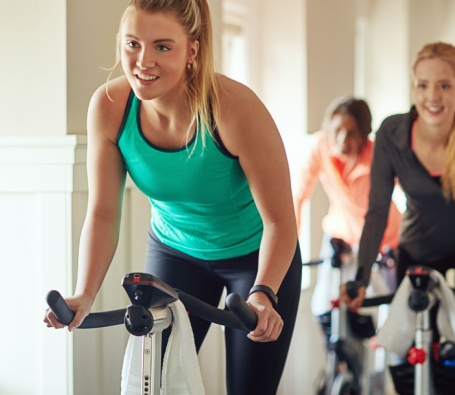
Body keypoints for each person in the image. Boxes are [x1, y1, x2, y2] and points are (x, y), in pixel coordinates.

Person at [43, 1, 302, 394]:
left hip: (254, 257)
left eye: (162, 46)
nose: (143, 61)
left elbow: (280, 221)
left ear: (192, 50)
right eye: (132, 44)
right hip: (176, 253)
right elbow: (103, 213)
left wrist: (264, 293)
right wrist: (85, 293)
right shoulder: (111, 108)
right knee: (156, 384)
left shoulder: (232, 108)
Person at [340, 42, 455, 395]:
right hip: (420, 249)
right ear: (413, 87)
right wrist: (360, 277)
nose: (432, 96)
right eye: (422, 85)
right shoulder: (393, 133)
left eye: (444, 85)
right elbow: (376, 210)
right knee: (411, 345)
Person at [293, 96, 402, 315]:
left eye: (352, 133)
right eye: (337, 130)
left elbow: (410, 188)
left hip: (383, 237)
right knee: (324, 308)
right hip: (340, 234)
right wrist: (290, 247)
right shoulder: (320, 147)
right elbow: (297, 196)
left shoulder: (377, 155)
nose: (343, 139)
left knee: (394, 310)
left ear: (364, 133)